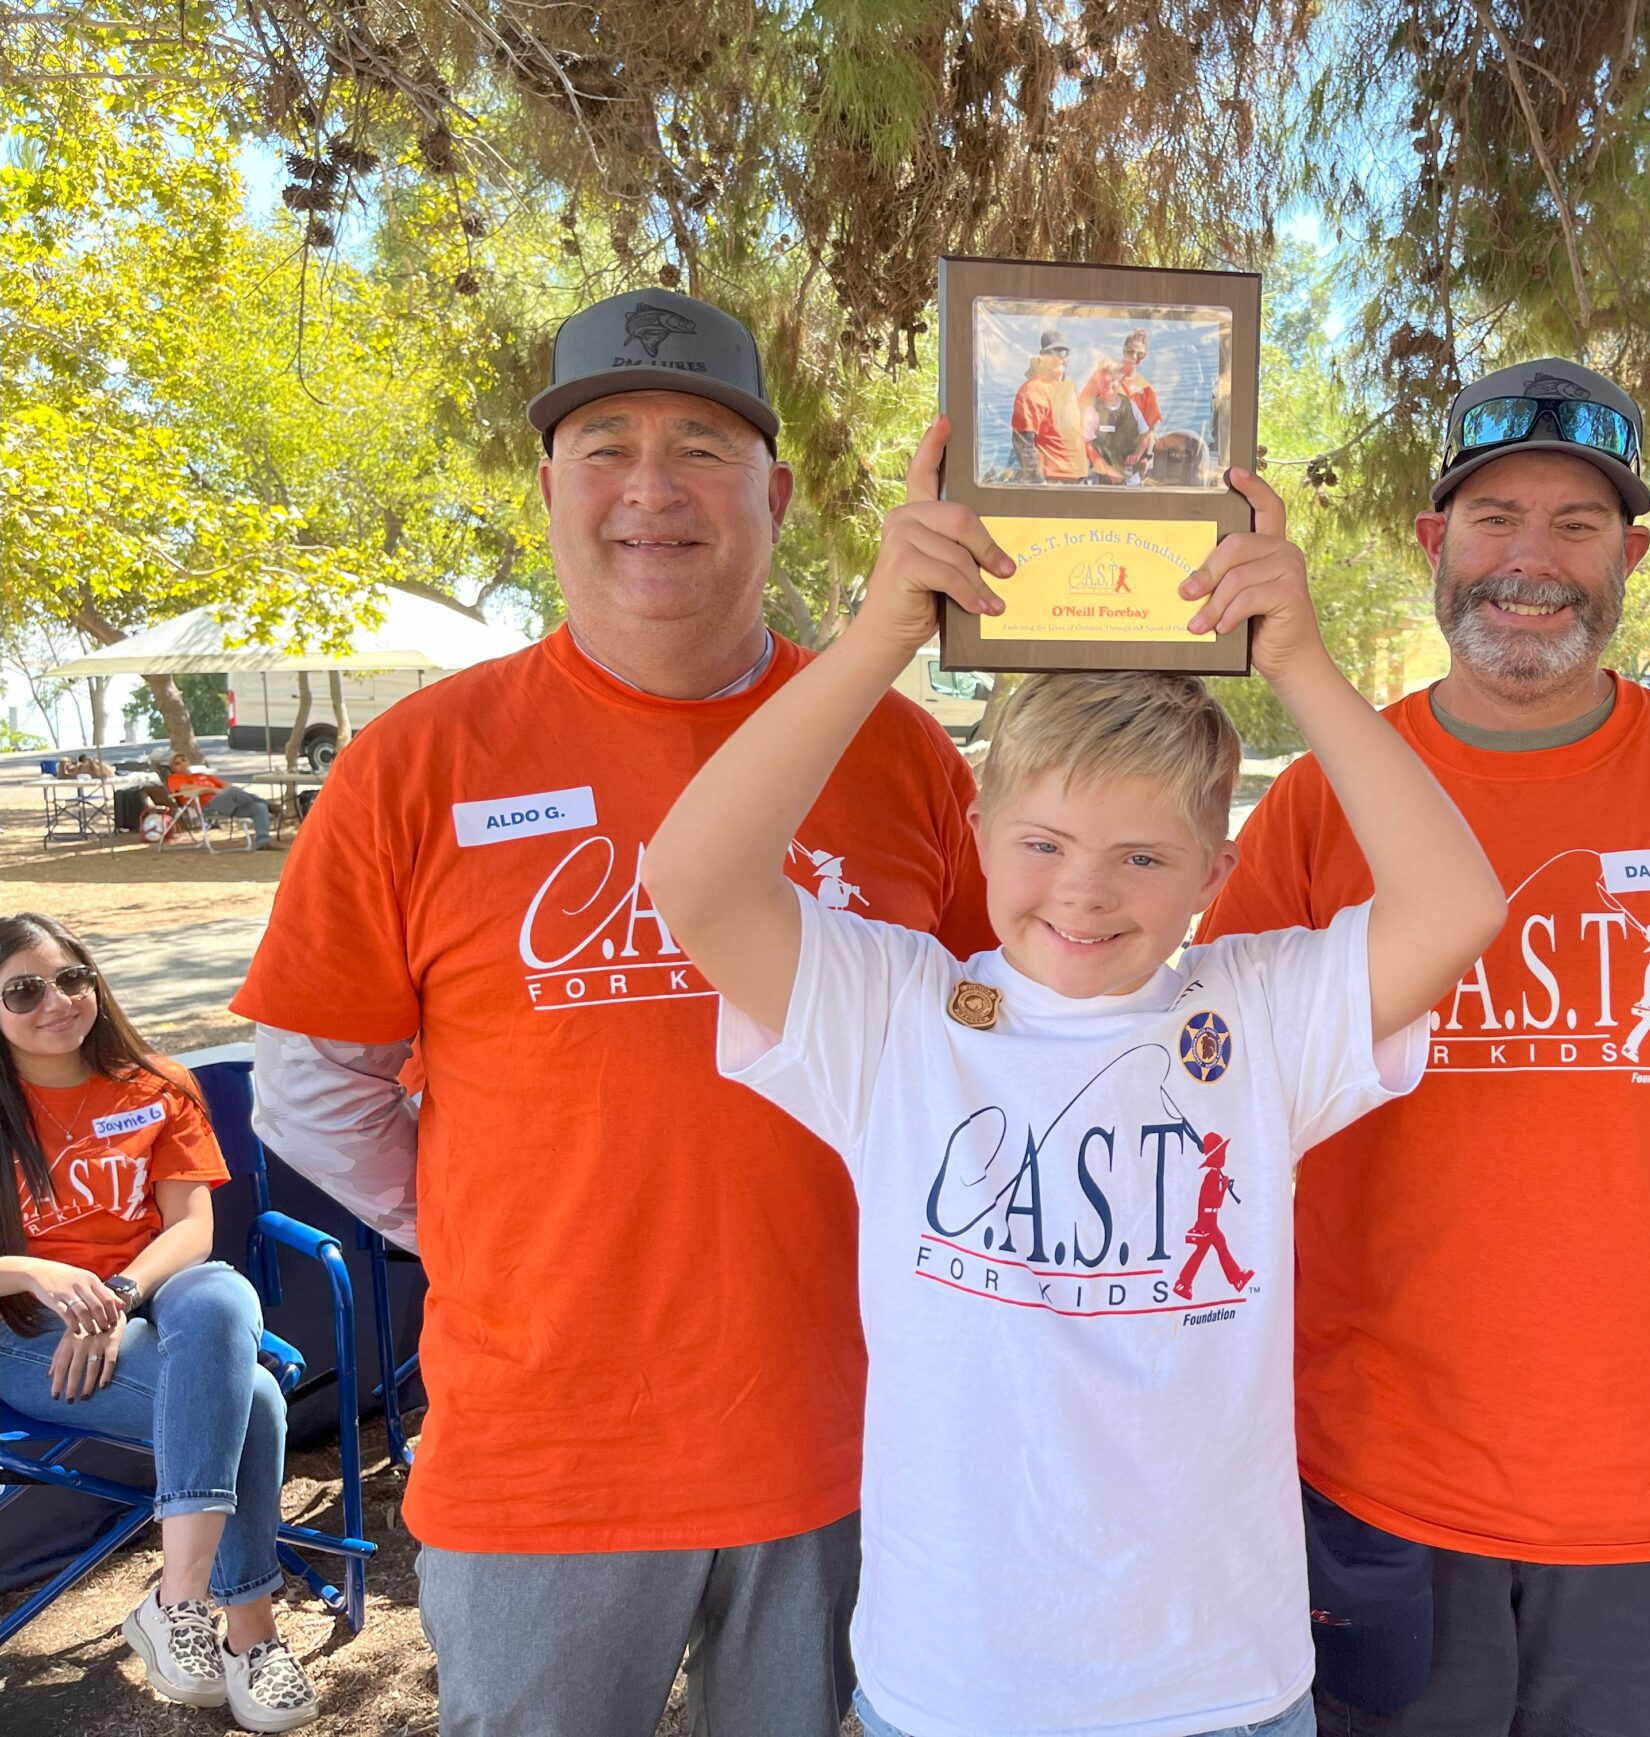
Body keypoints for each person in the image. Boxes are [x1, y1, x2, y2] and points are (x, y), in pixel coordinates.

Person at [641, 417, 1505, 1737]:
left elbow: (1455, 909)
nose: (1086, 893)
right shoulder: (898, 1011)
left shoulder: (1256, 1015)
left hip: (1216, 1683)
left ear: (1219, 877)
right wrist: (881, 636)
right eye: (1043, 841)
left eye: (1146, 859)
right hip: (953, 1689)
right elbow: (693, 878)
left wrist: (1307, 668)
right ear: (977, 825)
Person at [229, 289, 994, 1737]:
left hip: (851, 1448)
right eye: (606, 446)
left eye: (702, 447)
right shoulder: (416, 763)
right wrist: (496, 1224)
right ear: (548, 492)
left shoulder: (898, 751)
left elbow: (989, 1049)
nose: (652, 488)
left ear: (771, 494)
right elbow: (310, 1087)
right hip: (545, 1462)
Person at [1200, 358, 1650, 1736]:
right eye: (1494, 519)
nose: (1531, 562)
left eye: (1577, 526)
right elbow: (1211, 1093)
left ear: (1631, 555)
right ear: (1434, 544)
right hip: (1374, 1486)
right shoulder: (1321, 802)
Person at [0, 912, 319, 1733]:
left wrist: (114, 1295)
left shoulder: (155, 1084)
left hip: (147, 1302)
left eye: (72, 976)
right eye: (22, 989)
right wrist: (40, 1269)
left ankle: (178, 1595)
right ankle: (250, 1631)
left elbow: (191, 1231)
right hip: (24, 1330)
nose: (57, 1001)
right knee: (249, 1401)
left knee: (216, 1293)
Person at [1010, 330, 1089, 483]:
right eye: (1052, 352)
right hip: (1053, 481)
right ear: (1042, 355)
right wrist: (1038, 482)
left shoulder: (1069, 384)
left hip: (1079, 478)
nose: (1058, 358)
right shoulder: (1032, 390)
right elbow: (1022, 442)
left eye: (1063, 352)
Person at [164, 754, 278, 849]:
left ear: (188, 762)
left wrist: (221, 790)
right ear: (173, 768)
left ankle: (263, 842)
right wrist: (211, 789)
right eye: (177, 763)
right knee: (234, 791)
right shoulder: (174, 778)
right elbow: (184, 789)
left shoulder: (202, 776)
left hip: (226, 803)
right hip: (208, 806)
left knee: (258, 807)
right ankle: (269, 805)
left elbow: (226, 785)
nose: (182, 764)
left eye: (183, 760)